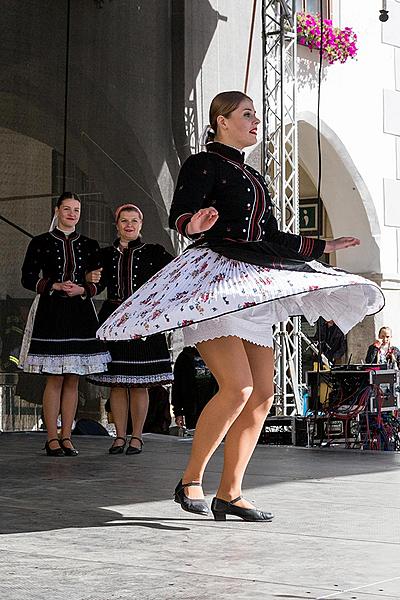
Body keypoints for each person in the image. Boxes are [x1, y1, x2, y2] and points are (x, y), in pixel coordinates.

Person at [98, 91, 384, 521]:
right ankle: (190, 479)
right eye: (246, 114)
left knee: (263, 394)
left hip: (253, 281)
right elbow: (182, 214)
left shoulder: (254, 176)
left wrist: (324, 245)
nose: (255, 121)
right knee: (239, 387)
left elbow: (271, 234)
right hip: (216, 280)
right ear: (221, 121)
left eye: (255, 114)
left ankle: (229, 492)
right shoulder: (203, 163)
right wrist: (192, 223)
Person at [20, 192, 110, 456]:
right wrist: (54, 285)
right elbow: (27, 277)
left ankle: (67, 436)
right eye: (67, 209)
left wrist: (83, 289)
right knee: (55, 378)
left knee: (73, 379)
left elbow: (100, 280)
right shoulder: (40, 242)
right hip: (51, 312)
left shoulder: (90, 244)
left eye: (76, 210)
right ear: (57, 210)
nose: (72, 214)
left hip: (80, 313)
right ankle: (51, 438)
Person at [86, 204, 173, 455]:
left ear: (141, 224)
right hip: (113, 319)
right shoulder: (104, 254)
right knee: (117, 383)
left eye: (134, 220)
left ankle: (137, 437)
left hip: (142, 320)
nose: (129, 225)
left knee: (139, 383)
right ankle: (119, 436)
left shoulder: (155, 252)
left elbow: (172, 276)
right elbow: (95, 285)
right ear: (117, 225)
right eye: (124, 221)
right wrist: (88, 278)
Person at [171, 346, 217, 429]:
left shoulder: (217, 355)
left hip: (215, 407)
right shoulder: (184, 357)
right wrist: (178, 412)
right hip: (192, 409)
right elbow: (177, 386)